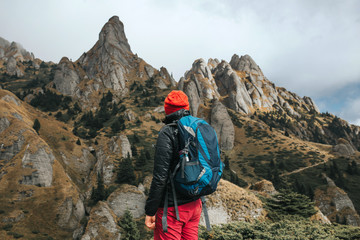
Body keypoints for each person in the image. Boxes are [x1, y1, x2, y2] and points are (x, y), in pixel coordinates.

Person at [145, 90, 202, 240]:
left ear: (167, 109)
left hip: (173, 209)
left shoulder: (168, 132)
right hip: (195, 204)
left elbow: (160, 177)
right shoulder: (197, 127)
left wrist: (150, 211)